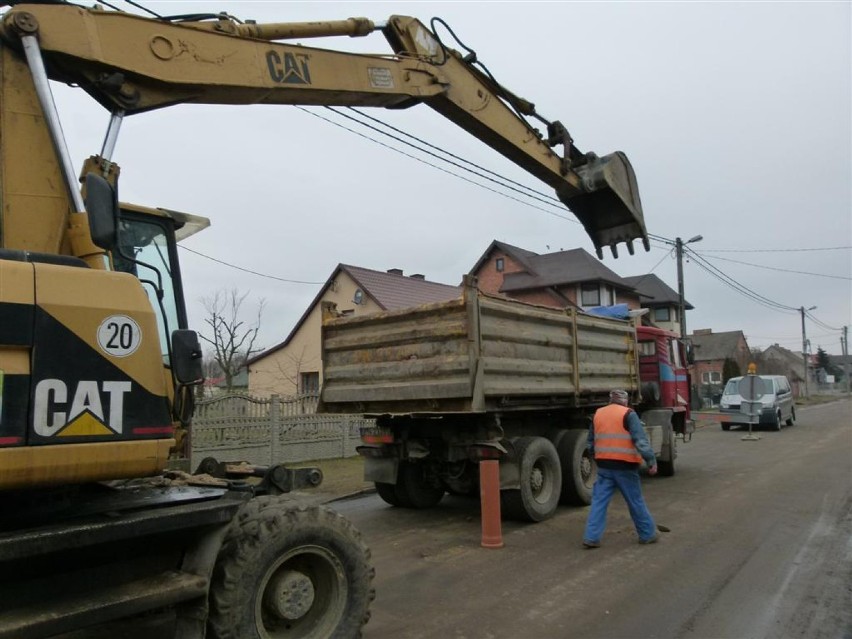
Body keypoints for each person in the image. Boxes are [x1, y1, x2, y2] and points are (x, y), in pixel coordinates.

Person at [582, 389, 658, 548]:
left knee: (598, 503)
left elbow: (590, 442)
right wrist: (651, 461)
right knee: (635, 501)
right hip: (625, 467)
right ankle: (647, 534)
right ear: (625, 401)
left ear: (610, 400)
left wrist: (597, 457)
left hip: (604, 466)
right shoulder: (628, 414)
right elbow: (640, 441)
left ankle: (591, 537)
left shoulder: (598, 414)